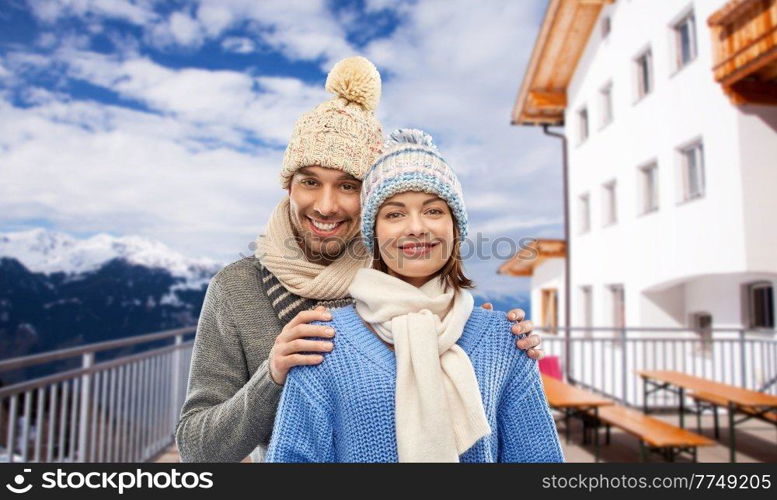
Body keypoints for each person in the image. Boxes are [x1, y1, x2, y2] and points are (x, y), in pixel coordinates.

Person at [175, 57, 543, 463]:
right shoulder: (237, 289)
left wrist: (480, 334)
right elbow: (197, 449)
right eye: (310, 182)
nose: (326, 205)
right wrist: (273, 374)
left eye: (348, 185)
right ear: (289, 186)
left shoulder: (400, 269)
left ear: (372, 201)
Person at [266, 129, 563, 462]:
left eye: (434, 211)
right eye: (394, 214)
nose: (416, 227)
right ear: (373, 234)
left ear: (455, 226)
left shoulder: (505, 340)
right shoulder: (324, 343)